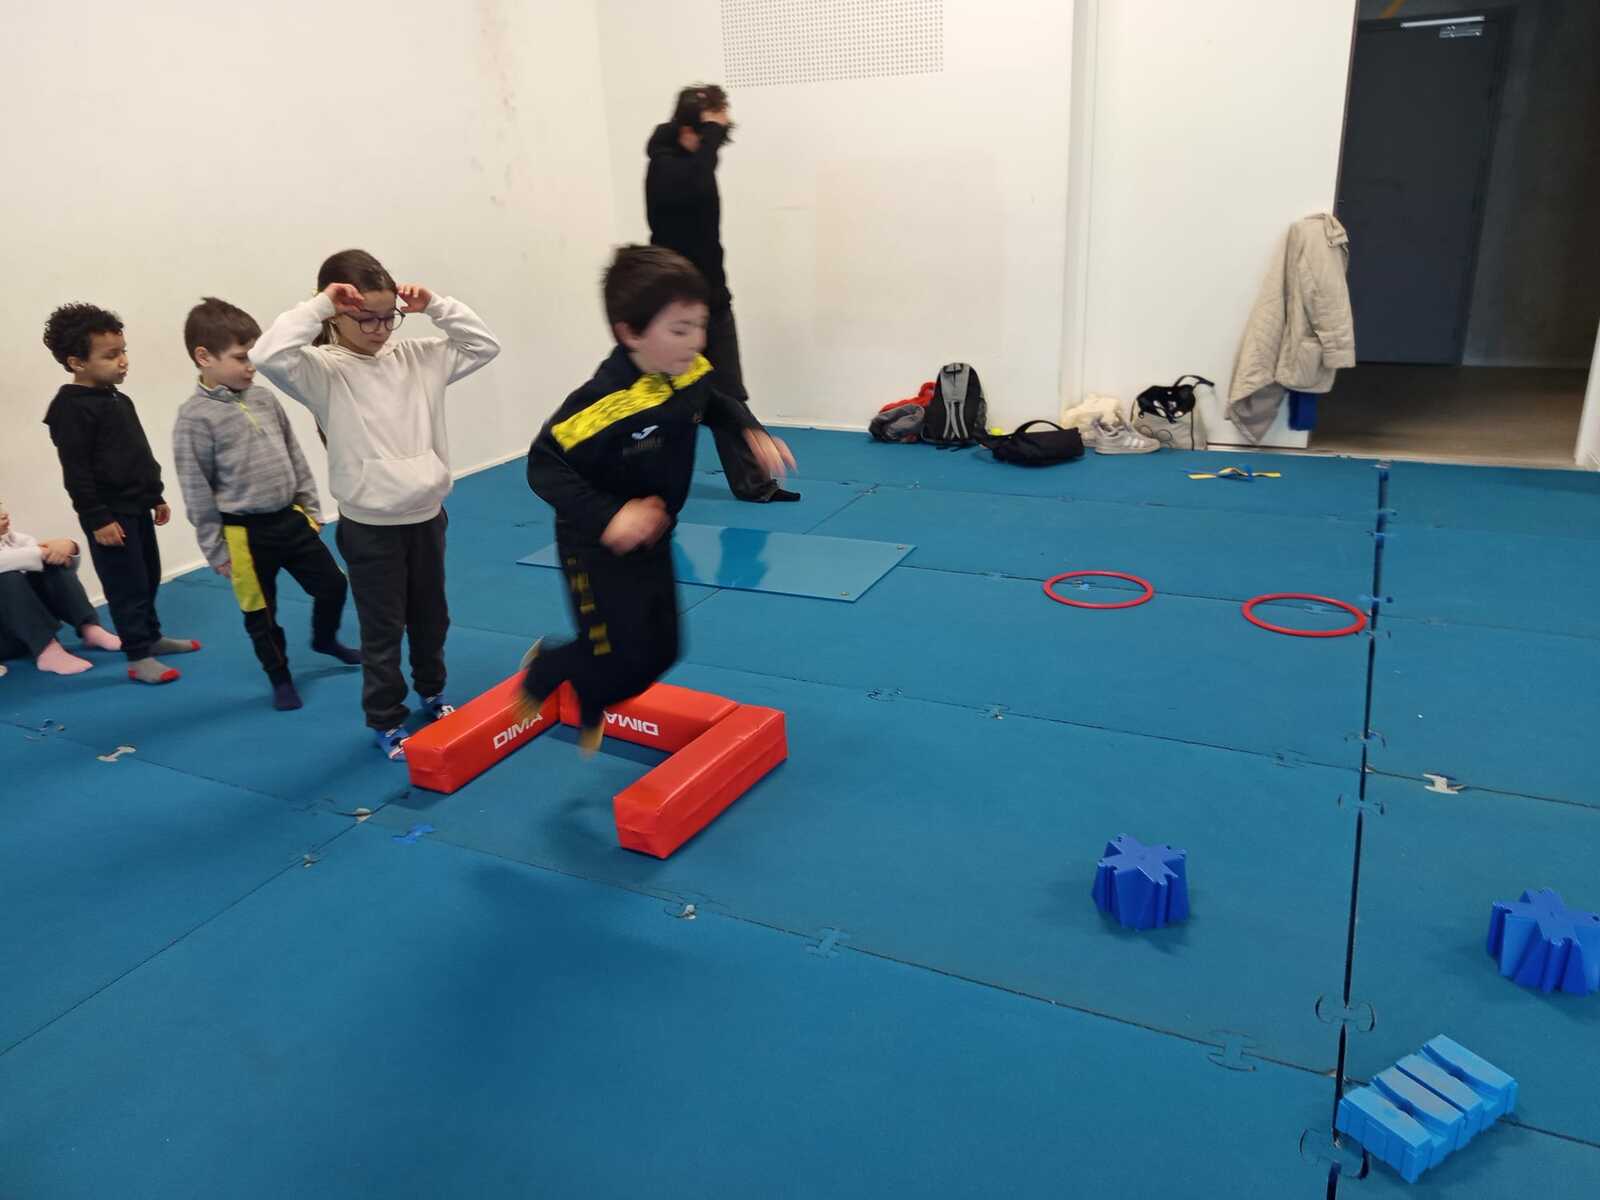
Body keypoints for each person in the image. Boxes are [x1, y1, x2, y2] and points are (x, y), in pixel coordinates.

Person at [519, 245, 796, 753]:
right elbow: (543, 464)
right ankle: (547, 669)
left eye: (700, 325)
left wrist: (750, 431)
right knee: (613, 653)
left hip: (655, 536)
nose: (697, 341)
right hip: (596, 546)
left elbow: (715, 400)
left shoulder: (687, 371)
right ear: (631, 333)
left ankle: (591, 692)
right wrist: (611, 516)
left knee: (664, 650)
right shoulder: (601, 404)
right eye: (680, 329)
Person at [251, 250, 500, 758]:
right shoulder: (321, 371)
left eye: (390, 317)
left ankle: (432, 692)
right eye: (366, 318)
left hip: (427, 516)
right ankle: (386, 719)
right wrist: (319, 305)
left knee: (432, 617)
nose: (380, 329)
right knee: (383, 629)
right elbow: (267, 354)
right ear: (338, 313)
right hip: (370, 526)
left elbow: (484, 345)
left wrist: (436, 305)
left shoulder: (420, 358)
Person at [172, 297, 361, 711]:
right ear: (204, 357)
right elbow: (195, 488)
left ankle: (325, 639)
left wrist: (310, 507)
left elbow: (294, 452)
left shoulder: (263, 398)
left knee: (333, 584)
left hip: (290, 520)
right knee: (260, 613)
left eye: (253, 356)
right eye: (241, 358)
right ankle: (280, 677)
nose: (251, 366)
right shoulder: (194, 418)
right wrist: (215, 549)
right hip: (244, 535)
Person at [645, 83, 799, 504]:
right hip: (673, 308)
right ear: (689, 128)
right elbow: (693, 186)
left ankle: (754, 484)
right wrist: (710, 132)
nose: (717, 139)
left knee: (730, 392)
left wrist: (711, 131)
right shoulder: (665, 167)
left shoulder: (695, 161)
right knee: (667, 400)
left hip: (713, 299)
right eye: (711, 130)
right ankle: (645, 479)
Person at [42, 303, 201, 684]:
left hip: (136, 506)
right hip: (109, 515)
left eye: (123, 351)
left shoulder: (116, 398)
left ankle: (151, 636)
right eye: (110, 355)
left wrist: (154, 495)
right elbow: (77, 472)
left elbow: (135, 454)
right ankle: (138, 655)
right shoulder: (70, 410)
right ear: (77, 362)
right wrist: (97, 518)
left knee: (147, 576)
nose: (123, 361)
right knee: (125, 585)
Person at [0, 500, 122, 673]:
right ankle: (47, 651)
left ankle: (90, 629)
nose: (4, 513)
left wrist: (68, 546)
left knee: (50, 562)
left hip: (21, 634)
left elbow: (60, 566)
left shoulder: (14, 538)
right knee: (7, 577)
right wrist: (42, 551)